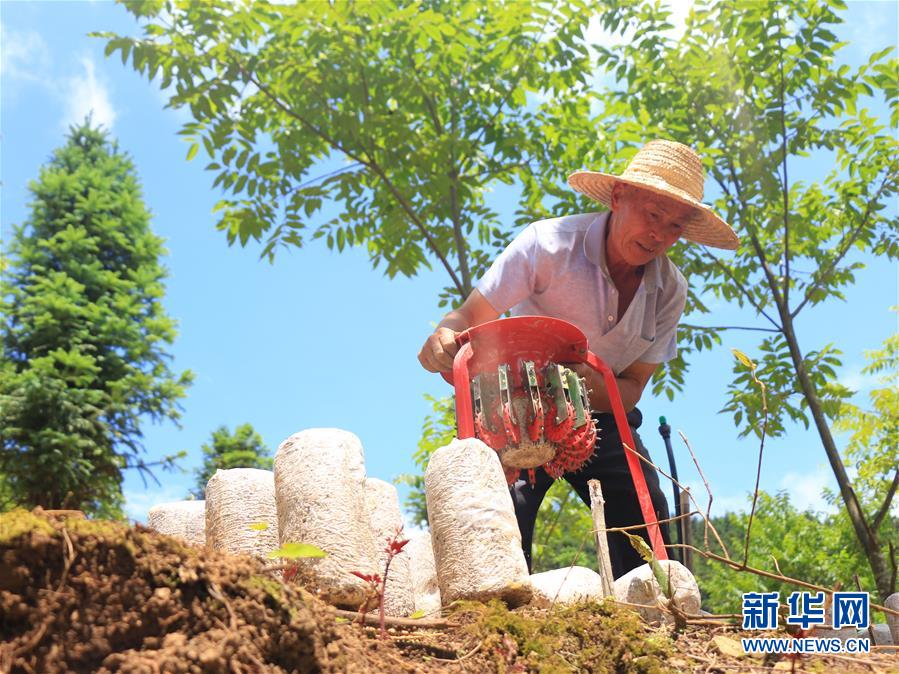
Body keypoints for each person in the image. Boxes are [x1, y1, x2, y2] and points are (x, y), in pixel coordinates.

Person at [418, 139, 739, 579]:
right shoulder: (546, 244)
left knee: (643, 513)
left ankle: (657, 616)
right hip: (520, 402)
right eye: (652, 215)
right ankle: (497, 612)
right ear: (618, 198)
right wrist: (444, 338)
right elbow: (469, 318)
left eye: (674, 226)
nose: (659, 235)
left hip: (603, 414)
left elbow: (629, 391)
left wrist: (580, 383)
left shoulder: (669, 289)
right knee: (497, 511)